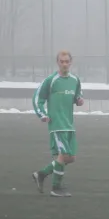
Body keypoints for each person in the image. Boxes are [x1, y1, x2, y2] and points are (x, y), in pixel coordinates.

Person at [32, 51, 84, 197]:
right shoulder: (51, 80)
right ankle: (56, 188)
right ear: (57, 63)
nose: (64, 64)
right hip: (57, 124)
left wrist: (79, 100)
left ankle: (41, 174)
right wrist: (42, 114)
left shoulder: (75, 80)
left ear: (71, 62)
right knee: (64, 155)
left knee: (71, 158)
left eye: (67, 61)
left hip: (69, 124)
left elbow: (78, 95)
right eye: (62, 61)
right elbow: (37, 98)